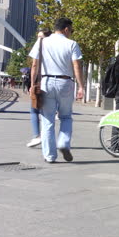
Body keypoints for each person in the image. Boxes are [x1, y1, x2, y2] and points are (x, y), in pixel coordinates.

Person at [29, 18, 85, 163]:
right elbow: (77, 67)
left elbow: (34, 65)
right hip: (65, 82)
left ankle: (50, 156)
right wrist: (81, 86)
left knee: (47, 120)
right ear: (66, 29)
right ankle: (64, 143)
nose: (71, 33)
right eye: (71, 30)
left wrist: (31, 84)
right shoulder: (72, 44)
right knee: (65, 117)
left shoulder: (42, 42)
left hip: (46, 82)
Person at [26, 30, 52, 148]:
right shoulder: (55, 45)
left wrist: (32, 84)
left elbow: (35, 65)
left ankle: (37, 136)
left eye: (40, 36)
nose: (38, 38)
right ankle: (47, 136)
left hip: (41, 81)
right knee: (48, 110)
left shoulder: (40, 44)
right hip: (55, 81)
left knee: (35, 109)